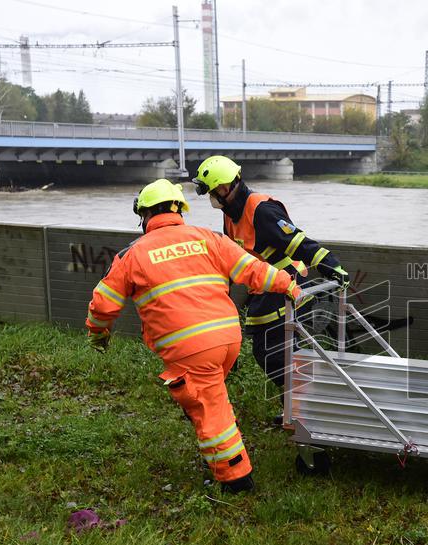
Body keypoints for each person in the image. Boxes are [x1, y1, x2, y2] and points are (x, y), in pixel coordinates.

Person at [85, 179, 302, 494]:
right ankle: (216, 450)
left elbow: (103, 303)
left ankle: (236, 480)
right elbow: (254, 270)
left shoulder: (132, 254)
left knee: (209, 410)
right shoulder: (208, 238)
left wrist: (98, 334)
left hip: (190, 348)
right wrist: (289, 284)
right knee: (210, 398)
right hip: (227, 338)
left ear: (144, 215)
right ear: (179, 209)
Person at [191, 156, 349, 422]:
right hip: (266, 286)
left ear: (225, 187)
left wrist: (330, 264)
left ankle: (303, 407)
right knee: (282, 349)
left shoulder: (262, 210)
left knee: (271, 351)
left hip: (288, 284)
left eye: (211, 191)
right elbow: (234, 259)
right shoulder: (230, 216)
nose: (210, 198)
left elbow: (297, 241)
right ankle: (300, 405)